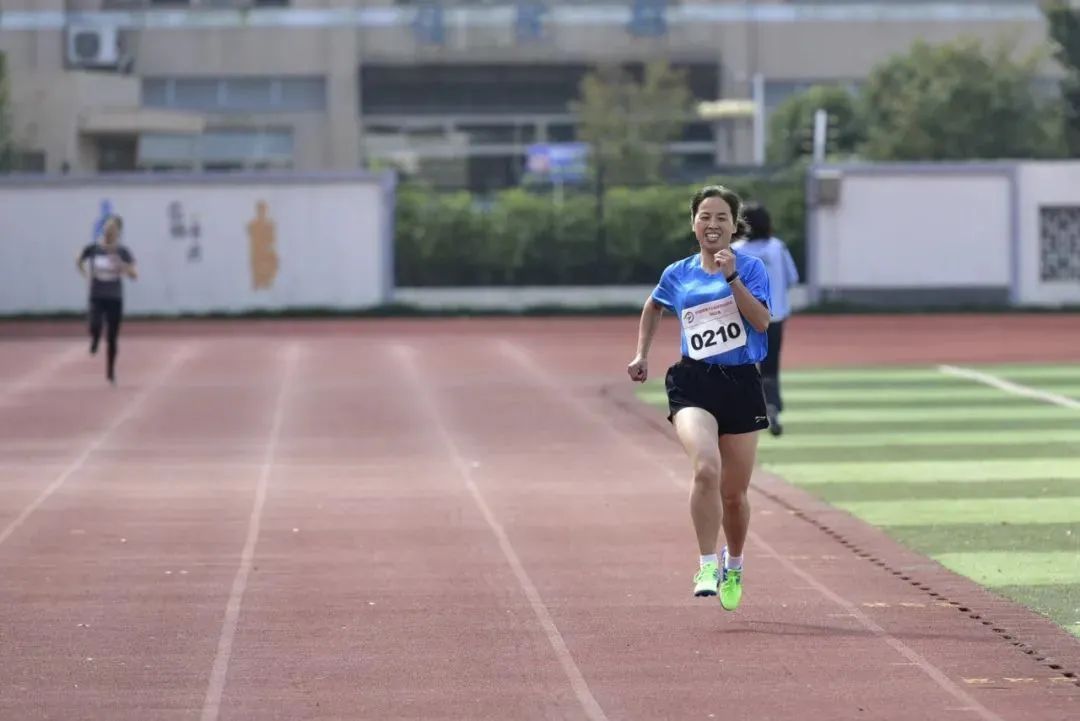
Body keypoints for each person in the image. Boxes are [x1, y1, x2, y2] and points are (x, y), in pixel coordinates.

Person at [626, 185, 771, 612]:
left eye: (721, 217)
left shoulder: (752, 268)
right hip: (694, 382)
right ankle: (707, 563)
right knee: (706, 468)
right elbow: (653, 306)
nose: (712, 224)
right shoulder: (678, 273)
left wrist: (732, 277)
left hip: (741, 382)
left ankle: (735, 564)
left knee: (734, 495)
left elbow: (761, 322)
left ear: (733, 225)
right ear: (694, 223)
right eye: (705, 216)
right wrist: (642, 353)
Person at [733, 202, 800, 436]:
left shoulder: (736, 250)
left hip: (743, 317)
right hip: (775, 316)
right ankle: (771, 408)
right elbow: (792, 278)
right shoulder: (778, 248)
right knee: (770, 367)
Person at [77, 215, 137, 385]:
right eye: (106, 228)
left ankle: (110, 372)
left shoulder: (122, 251)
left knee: (112, 337)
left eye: (113, 229)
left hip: (114, 298)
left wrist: (122, 266)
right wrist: (84, 272)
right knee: (94, 324)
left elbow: (134, 274)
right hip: (97, 296)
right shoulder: (94, 248)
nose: (109, 232)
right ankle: (95, 339)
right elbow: (79, 257)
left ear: (118, 232)